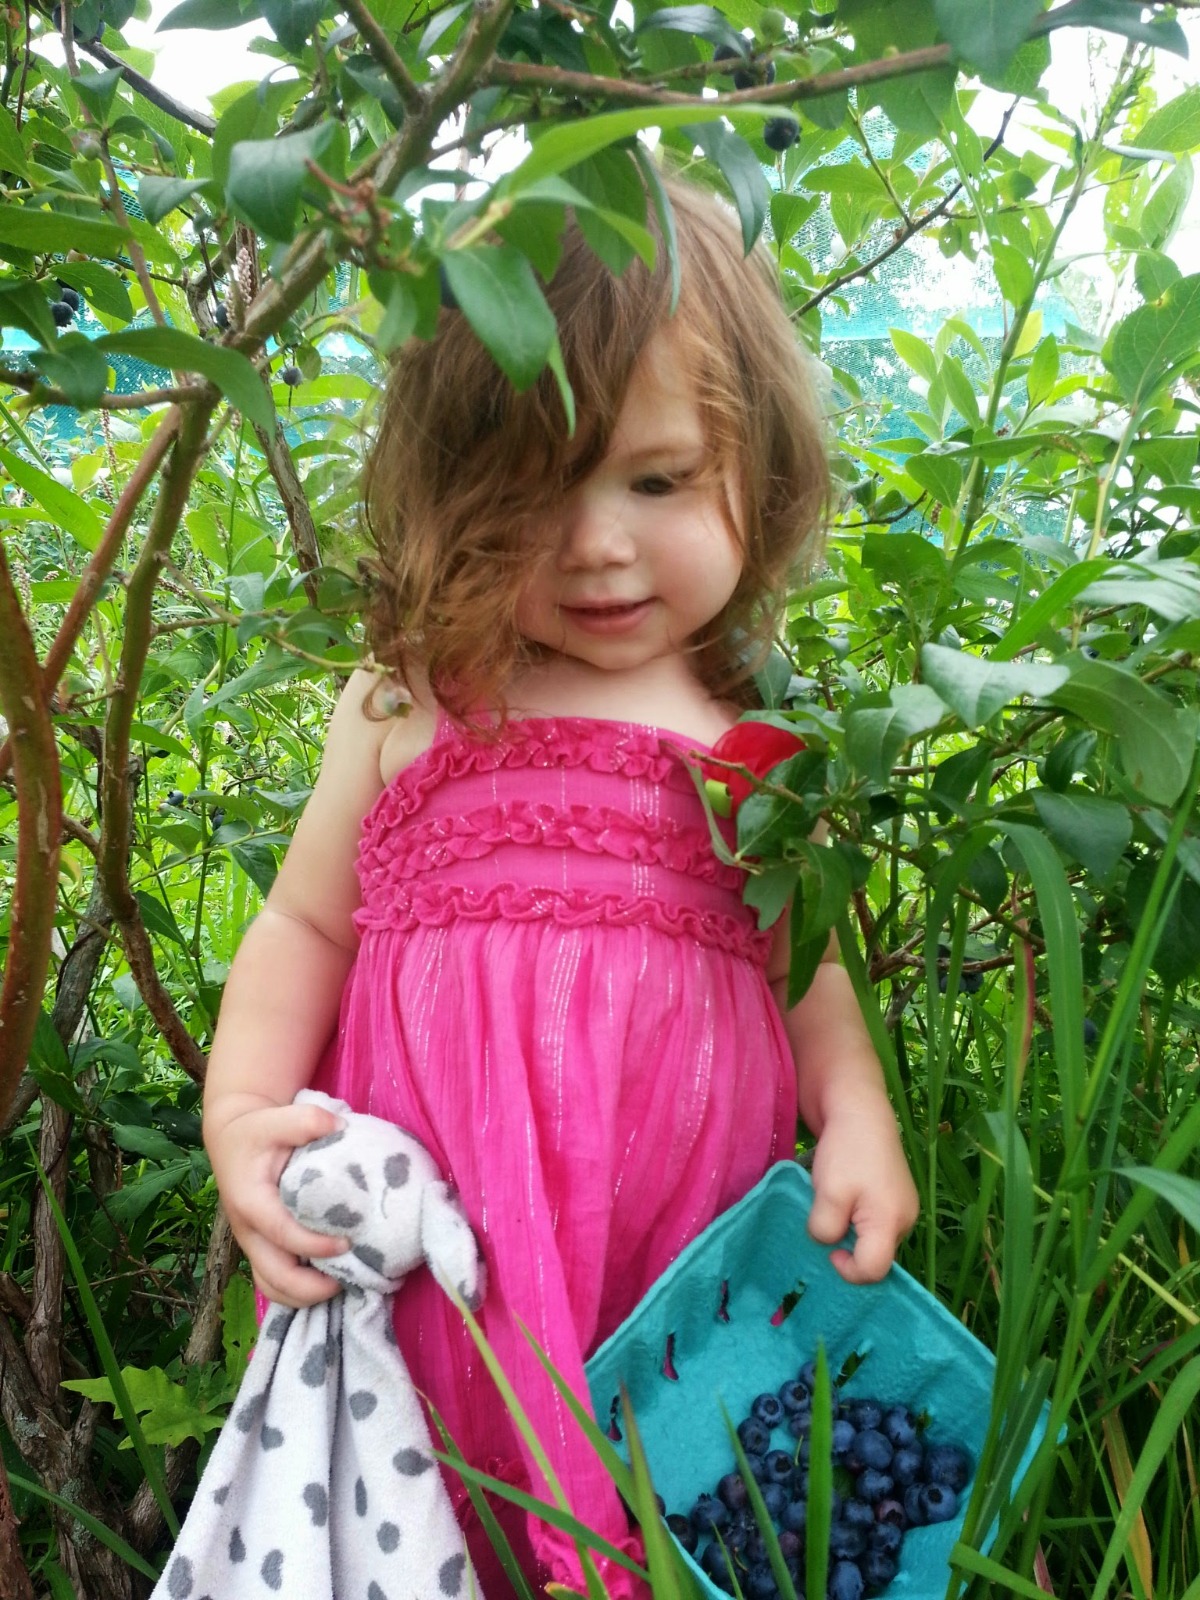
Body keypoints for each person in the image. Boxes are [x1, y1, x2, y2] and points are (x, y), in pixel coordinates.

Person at [202, 168, 918, 1598]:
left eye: (656, 480)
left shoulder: (743, 736)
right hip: (449, 1254)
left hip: (680, 1243)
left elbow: (806, 962)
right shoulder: (411, 701)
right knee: (441, 1491)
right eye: (534, 489)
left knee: (672, 1501)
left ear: (755, 467)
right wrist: (238, 1116)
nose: (596, 543)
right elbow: (304, 923)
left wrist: (857, 1114)